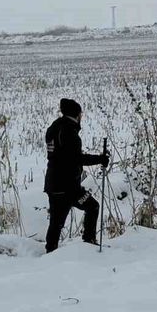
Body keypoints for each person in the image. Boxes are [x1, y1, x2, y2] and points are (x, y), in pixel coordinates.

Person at [44, 98, 109, 253]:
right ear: (77, 114)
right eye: (81, 114)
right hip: (68, 188)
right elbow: (76, 159)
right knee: (92, 206)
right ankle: (88, 244)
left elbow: (62, 156)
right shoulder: (69, 132)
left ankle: (50, 253)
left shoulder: (53, 128)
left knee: (56, 223)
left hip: (54, 185)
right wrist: (100, 159)